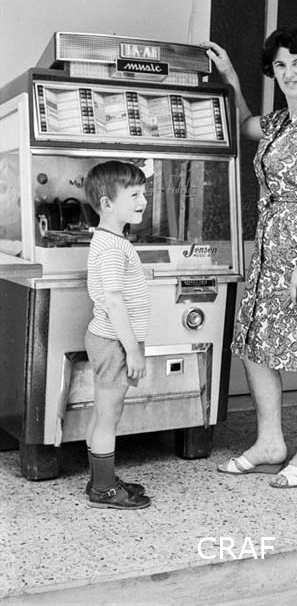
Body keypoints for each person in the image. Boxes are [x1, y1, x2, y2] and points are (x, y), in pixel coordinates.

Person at [204, 26, 297, 488]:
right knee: (255, 342)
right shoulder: (282, 122)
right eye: (280, 64)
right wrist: (231, 76)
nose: (289, 72)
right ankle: (270, 442)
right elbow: (245, 124)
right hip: (272, 250)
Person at [83, 160, 151, 509]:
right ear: (107, 203)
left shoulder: (112, 240)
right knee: (109, 415)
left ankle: (101, 478)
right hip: (114, 343)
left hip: (109, 340)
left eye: (144, 193)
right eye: (134, 195)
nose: (143, 201)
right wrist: (133, 349)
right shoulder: (111, 247)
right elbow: (113, 301)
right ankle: (103, 489)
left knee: (104, 411)